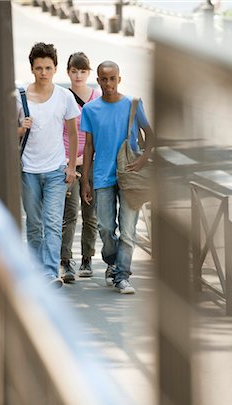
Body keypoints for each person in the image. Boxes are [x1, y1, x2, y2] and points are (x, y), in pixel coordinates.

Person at [81, 61, 154, 294]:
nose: (108, 83)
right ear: (98, 80)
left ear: (119, 79)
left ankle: (122, 276)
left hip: (130, 175)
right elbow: (89, 147)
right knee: (104, 227)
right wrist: (85, 180)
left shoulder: (132, 104)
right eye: (104, 79)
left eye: (113, 78)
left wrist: (142, 161)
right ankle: (112, 262)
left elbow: (151, 136)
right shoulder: (90, 110)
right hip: (102, 176)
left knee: (128, 229)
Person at [16, 42, 80, 288]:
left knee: (53, 223)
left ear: (55, 69)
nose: (43, 72)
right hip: (28, 171)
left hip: (55, 171)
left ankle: (50, 273)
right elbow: (9, 131)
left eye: (48, 68)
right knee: (34, 224)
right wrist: (22, 128)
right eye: (39, 68)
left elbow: (73, 134)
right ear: (32, 69)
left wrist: (71, 166)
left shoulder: (64, 97)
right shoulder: (20, 96)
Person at [60, 52, 99, 283]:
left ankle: (87, 258)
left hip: (91, 162)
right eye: (74, 71)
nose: (78, 75)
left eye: (83, 71)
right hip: (68, 162)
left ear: (88, 72)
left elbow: (98, 132)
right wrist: (70, 160)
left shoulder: (96, 97)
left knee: (90, 214)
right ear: (68, 72)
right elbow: (59, 131)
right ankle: (66, 261)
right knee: (70, 213)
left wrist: (87, 160)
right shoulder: (63, 97)